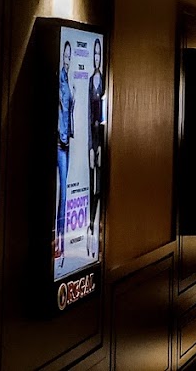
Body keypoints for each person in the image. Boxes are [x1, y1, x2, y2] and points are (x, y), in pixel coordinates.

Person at [56, 40, 75, 267]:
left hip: (66, 142)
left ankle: (61, 244)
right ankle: (59, 244)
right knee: (61, 195)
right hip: (60, 142)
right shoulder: (60, 80)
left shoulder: (67, 80)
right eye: (66, 56)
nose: (68, 60)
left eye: (70, 57)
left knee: (64, 193)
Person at [87, 39, 106, 258]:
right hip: (93, 141)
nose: (97, 57)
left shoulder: (104, 82)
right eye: (95, 54)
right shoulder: (91, 82)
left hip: (102, 140)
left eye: (99, 54)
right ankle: (91, 225)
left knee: (99, 189)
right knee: (92, 187)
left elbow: (104, 118)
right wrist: (92, 147)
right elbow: (89, 117)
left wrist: (101, 145)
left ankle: (96, 229)